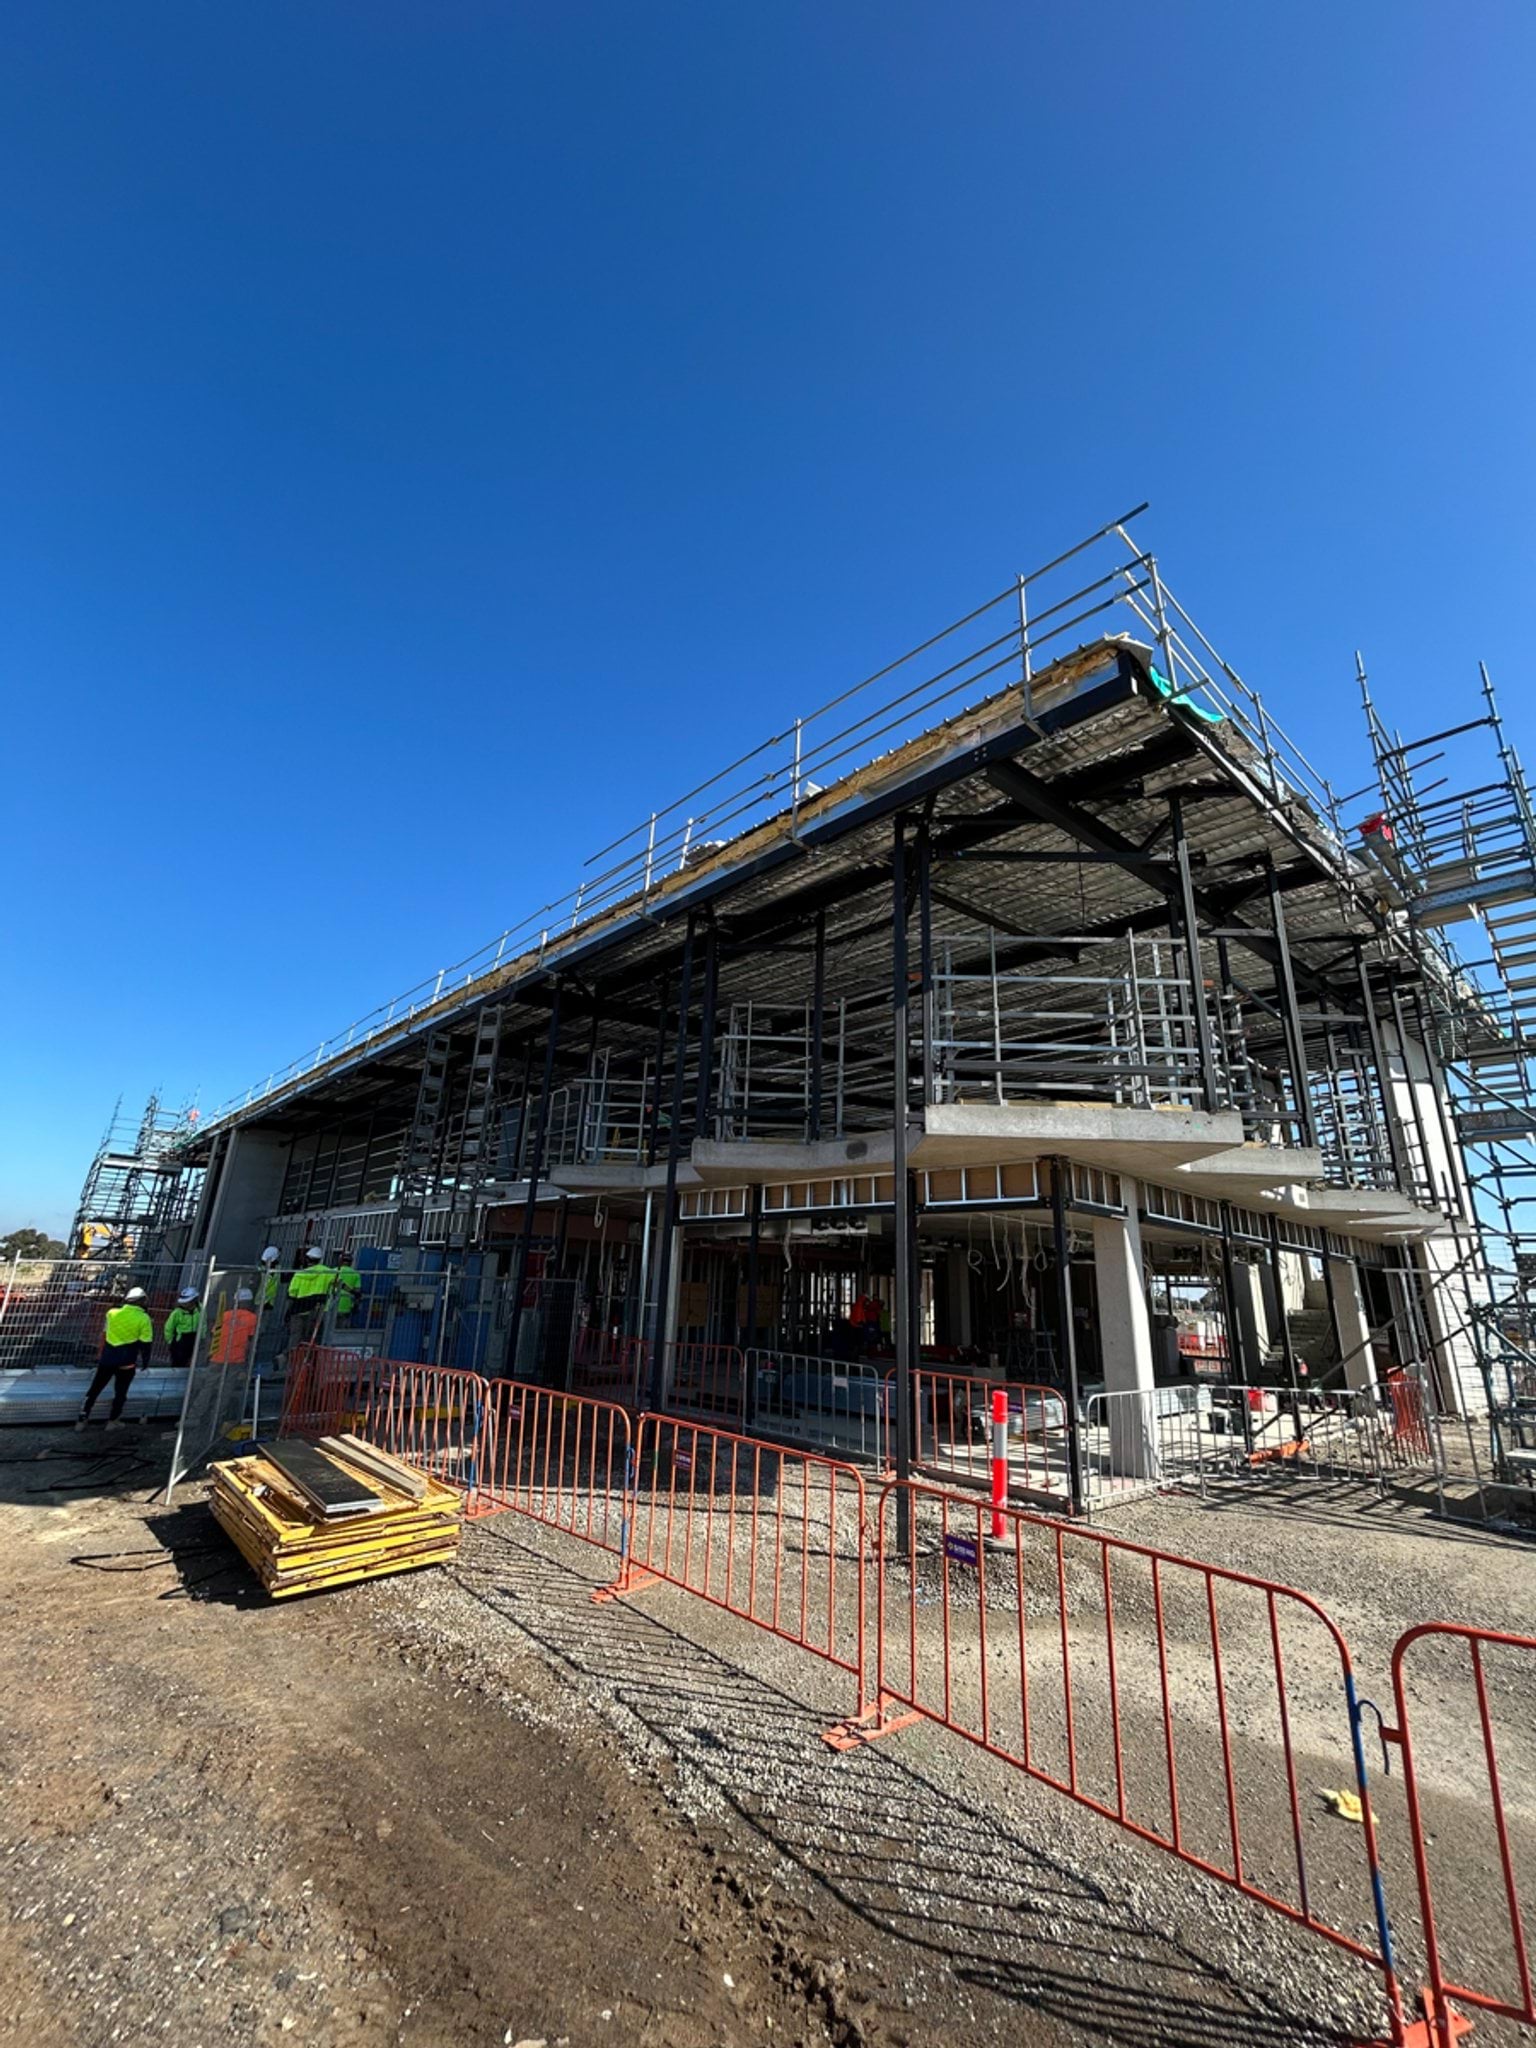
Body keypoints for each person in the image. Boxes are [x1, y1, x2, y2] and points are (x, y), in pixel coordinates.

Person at [77, 1287, 153, 1429]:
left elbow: (105, 1333)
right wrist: (145, 1361)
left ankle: (82, 1418)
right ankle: (113, 1421)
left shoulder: (112, 1313)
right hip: (127, 1361)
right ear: (143, 1301)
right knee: (121, 1392)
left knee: (95, 1389)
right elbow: (145, 1344)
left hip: (108, 1358)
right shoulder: (144, 1318)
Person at [285, 1247, 336, 1351]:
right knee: (311, 1338)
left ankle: (291, 1360)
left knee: (295, 1337)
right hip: (317, 1310)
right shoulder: (328, 1272)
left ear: (307, 1259)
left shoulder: (299, 1274)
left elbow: (292, 1293)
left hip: (298, 1309)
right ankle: (307, 1360)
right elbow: (337, 1285)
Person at [209, 1287, 258, 1367]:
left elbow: (213, 1335)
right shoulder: (252, 1317)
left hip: (218, 1358)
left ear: (236, 1301)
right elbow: (251, 1340)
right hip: (237, 1360)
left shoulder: (225, 1315)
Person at [163, 1287, 202, 1369]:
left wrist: (202, 1337)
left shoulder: (200, 1309)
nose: (184, 1304)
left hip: (194, 1339)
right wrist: (170, 1341)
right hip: (180, 1340)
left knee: (190, 1363)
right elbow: (168, 1327)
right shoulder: (177, 1312)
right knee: (177, 1363)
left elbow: (203, 1323)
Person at [334, 1253, 362, 1322]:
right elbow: (357, 1291)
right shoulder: (355, 1274)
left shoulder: (333, 1271)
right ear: (351, 1262)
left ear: (340, 1261)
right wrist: (356, 1305)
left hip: (331, 1305)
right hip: (346, 1306)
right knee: (340, 1330)